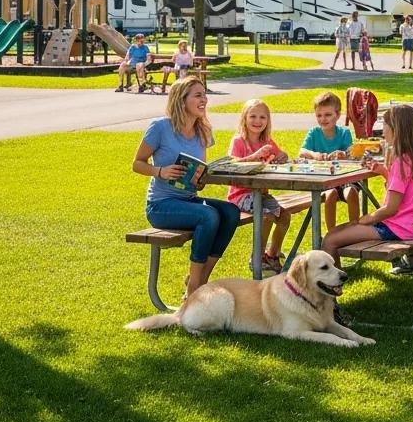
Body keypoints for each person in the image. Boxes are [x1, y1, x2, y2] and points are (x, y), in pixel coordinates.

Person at [132, 76, 239, 297]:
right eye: (198, 95)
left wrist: (199, 180)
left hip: (188, 200)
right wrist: (160, 171)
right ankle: (193, 290)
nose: (205, 99)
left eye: (204, 94)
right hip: (161, 205)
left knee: (230, 211)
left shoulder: (203, 132)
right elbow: (137, 163)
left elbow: (199, 177)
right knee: (208, 215)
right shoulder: (160, 127)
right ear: (182, 100)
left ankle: (200, 279)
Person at [321, 104, 413, 265]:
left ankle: (333, 286)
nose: (382, 130)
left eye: (384, 125)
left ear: (396, 129)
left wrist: (368, 218)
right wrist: (383, 171)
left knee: (330, 240)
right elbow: (405, 190)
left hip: (395, 228)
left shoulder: (401, 163)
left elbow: (391, 208)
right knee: (335, 232)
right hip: (411, 226)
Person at [225, 99, 292, 274]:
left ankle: (272, 255)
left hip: (261, 194)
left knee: (285, 216)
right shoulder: (239, 141)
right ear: (244, 119)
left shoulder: (267, 141)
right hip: (240, 195)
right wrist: (254, 156)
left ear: (267, 121)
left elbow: (281, 155)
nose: (257, 121)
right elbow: (231, 165)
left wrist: (282, 156)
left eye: (262, 117)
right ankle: (257, 257)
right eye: (253, 116)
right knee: (267, 216)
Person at [298, 91, 359, 231]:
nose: (323, 119)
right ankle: (331, 233)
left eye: (327, 115)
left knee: (352, 192)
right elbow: (302, 152)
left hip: (344, 178)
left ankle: (355, 228)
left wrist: (343, 154)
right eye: (319, 115)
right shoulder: (314, 133)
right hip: (322, 180)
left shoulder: (344, 133)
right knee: (331, 194)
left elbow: (352, 152)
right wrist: (315, 155)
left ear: (337, 115)